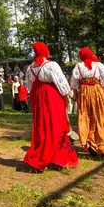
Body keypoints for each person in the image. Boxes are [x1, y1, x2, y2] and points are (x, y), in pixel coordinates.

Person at [24, 42, 78, 171]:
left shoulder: (30, 68)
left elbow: (30, 86)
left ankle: (43, 154)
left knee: (42, 126)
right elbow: (61, 82)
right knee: (57, 124)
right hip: (52, 97)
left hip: (38, 98)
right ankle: (58, 158)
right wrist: (66, 95)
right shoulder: (51, 65)